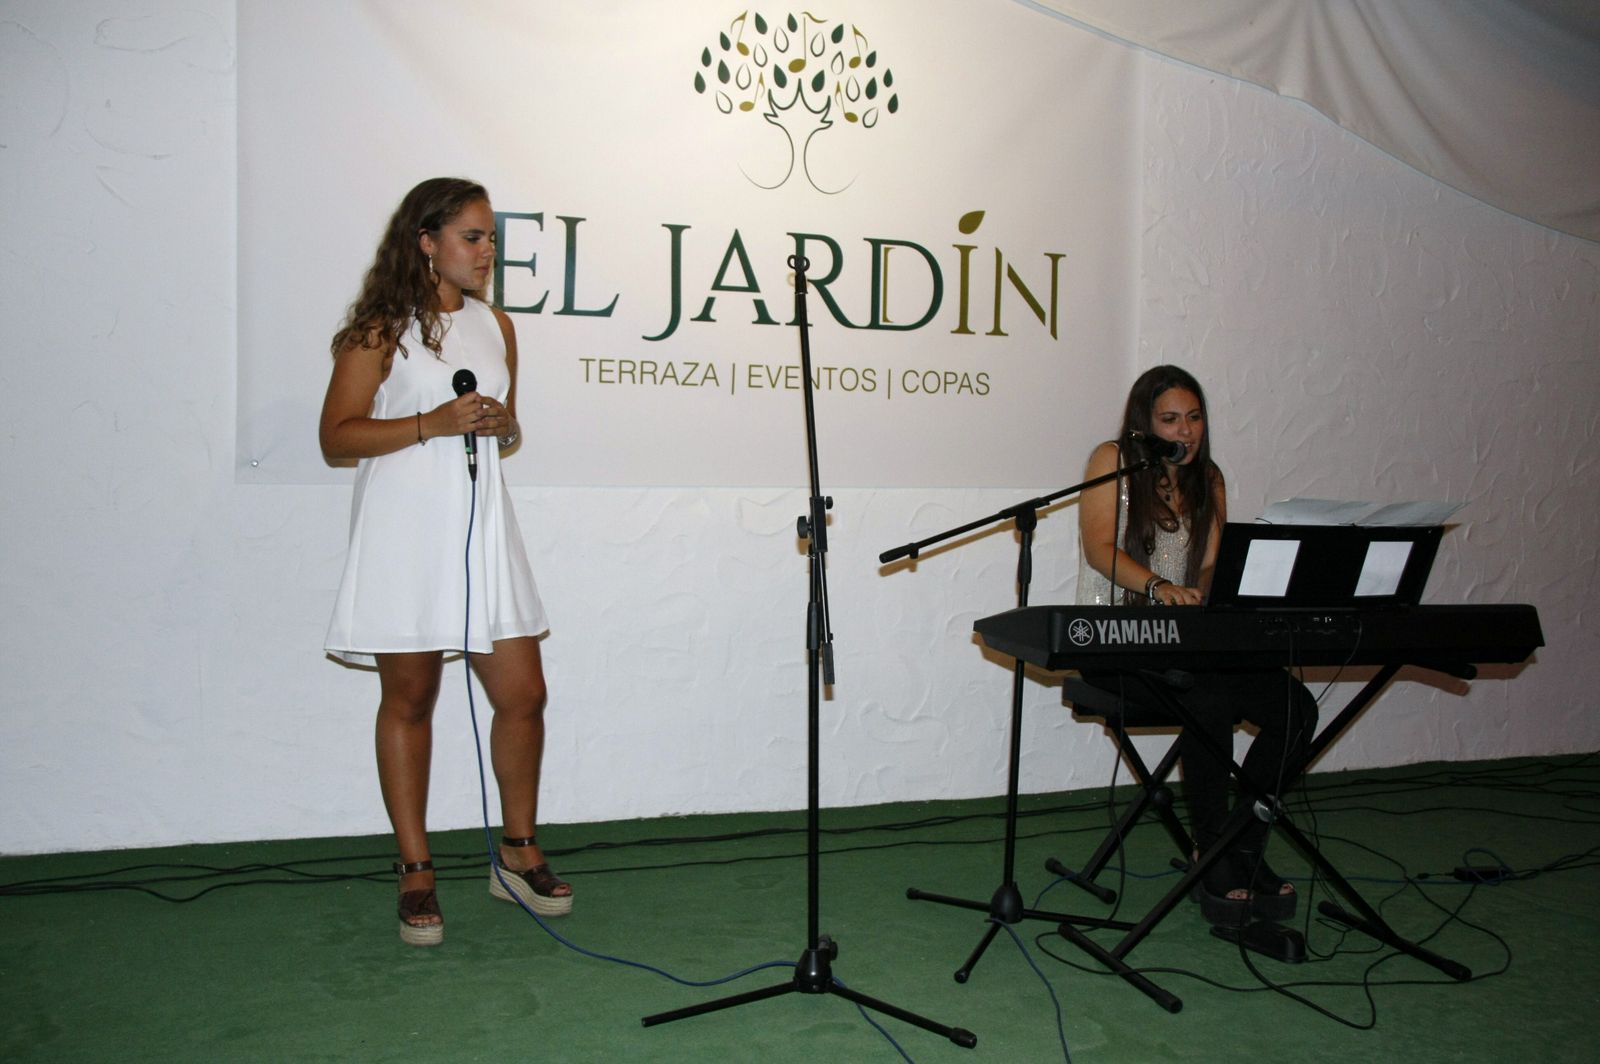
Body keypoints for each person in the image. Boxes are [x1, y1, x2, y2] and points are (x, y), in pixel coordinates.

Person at [320, 177, 572, 946]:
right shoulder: (379, 328)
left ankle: (515, 852)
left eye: (491, 236)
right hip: (407, 529)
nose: (487, 250)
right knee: (413, 699)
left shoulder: (498, 325)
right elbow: (337, 437)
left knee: (523, 692)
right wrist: (429, 422)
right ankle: (416, 869)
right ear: (425, 242)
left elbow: (508, 430)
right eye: (472, 235)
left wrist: (501, 423)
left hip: (482, 527)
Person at [1075, 364, 1316, 925]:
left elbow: (1210, 563)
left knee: (1296, 709)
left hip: (1188, 644)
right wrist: (1161, 588)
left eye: (1194, 417)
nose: (1185, 431)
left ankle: (1245, 842)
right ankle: (1211, 851)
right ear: (1144, 423)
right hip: (1119, 640)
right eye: (1170, 419)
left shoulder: (1209, 479)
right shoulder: (1112, 461)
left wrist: (1206, 597)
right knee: (1207, 700)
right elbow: (1099, 548)